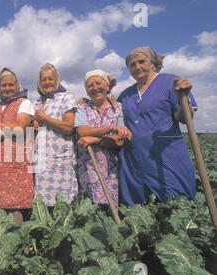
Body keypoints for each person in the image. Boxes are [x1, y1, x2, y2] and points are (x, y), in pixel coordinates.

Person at [118, 46, 197, 206]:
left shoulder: (171, 82)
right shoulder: (126, 94)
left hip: (166, 153)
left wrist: (183, 97)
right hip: (135, 157)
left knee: (175, 202)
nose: (137, 67)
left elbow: (184, 119)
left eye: (141, 62)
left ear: (152, 63)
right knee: (141, 208)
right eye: (132, 65)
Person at [75, 69, 132, 209]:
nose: (95, 88)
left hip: (111, 168)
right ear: (86, 91)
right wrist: (110, 129)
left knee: (111, 209)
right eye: (90, 86)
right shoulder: (81, 107)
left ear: (107, 86)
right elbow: (83, 132)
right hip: (87, 167)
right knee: (88, 209)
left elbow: (119, 141)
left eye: (98, 83)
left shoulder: (118, 108)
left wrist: (95, 140)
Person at [0, 68, 34, 224]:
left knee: (16, 204)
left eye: (11, 85)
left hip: (16, 161)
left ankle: (19, 240)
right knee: (0, 204)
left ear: (17, 85)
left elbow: (20, 128)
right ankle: (3, 240)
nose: (7, 88)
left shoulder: (24, 103)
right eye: (3, 85)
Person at [32, 63, 78, 207]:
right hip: (41, 159)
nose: (47, 83)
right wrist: (34, 125)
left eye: (50, 79)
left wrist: (44, 118)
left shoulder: (66, 98)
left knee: (63, 203)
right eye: (43, 80)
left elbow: (68, 127)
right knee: (42, 205)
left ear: (57, 79)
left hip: (60, 159)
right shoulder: (37, 102)